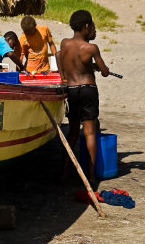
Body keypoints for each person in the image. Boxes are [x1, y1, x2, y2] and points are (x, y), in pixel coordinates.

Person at [58, 10, 109, 184]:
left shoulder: (65, 44)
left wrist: (63, 75)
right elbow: (104, 72)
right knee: (89, 132)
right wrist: (99, 68)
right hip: (88, 89)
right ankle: (92, 175)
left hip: (72, 89)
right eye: (92, 26)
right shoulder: (91, 48)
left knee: (72, 133)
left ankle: (64, 171)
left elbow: (60, 57)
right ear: (86, 26)